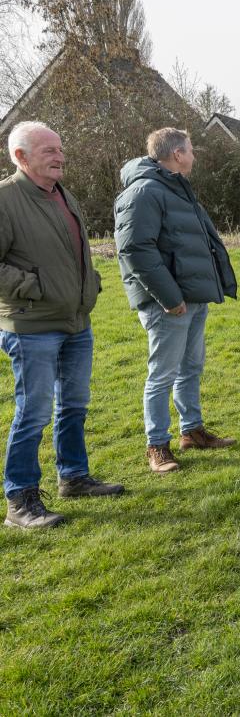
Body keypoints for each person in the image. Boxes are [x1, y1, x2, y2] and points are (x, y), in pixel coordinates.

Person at [0, 122, 123, 528]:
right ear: (20, 156)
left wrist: (90, 284)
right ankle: (20, 500)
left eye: (60, 149)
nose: (60, 156)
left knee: (74, 404)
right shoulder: (5, 199)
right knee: (33, 412)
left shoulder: (63, 194)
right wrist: (34, 287)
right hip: (32, 325)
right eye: (49, 150)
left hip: (75, 321)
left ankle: (73, 476)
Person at [115, 127, 239, 474]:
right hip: (168, 303)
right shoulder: (144, 191)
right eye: (191, 149)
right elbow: (135, 249)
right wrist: (169, 298)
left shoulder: (176, 188)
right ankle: (157, 445)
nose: (194, 155)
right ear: (177, 154)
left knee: (191, 367)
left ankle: (192, 431)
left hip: (192, 296)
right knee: (162, 374)